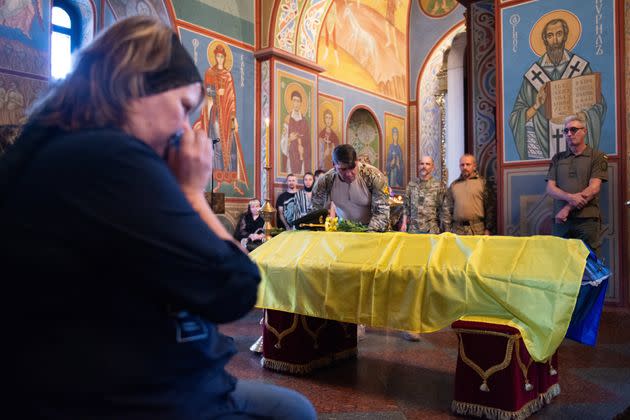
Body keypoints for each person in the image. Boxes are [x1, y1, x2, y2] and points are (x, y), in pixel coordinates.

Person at [0, 16, 315, 420]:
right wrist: (190, 190)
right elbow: (233, 286)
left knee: (289, 404)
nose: (185, 129)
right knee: (291, 411)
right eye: (184, 107)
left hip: (124, 380)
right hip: (138, 398)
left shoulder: (54, 146)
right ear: (140, 83)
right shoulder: (112, 157)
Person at [509, 17, 606, 160]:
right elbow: (515, 117)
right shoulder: (533, 75)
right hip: (543, 142)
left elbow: (599, 106)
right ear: (545, 40)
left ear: (566, 36)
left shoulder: (580, 67)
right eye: (550, 35)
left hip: (578, 148)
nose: (555, 40)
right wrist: (536, 105)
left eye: (559, 34)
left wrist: (584, 115)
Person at [546, 115, 607, 256]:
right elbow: (550, 188)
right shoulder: (557, 158)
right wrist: (570, 198)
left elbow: (594, 188)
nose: (569, 134)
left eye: (573, 130)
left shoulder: (597, 156)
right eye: (566, 131)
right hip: (561, 221)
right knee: (561, 264)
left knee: (589, 264)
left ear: (584, 131)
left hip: (586, 221)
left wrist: (567, 208)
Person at [193, 44, 248, 195]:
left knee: (231, 147)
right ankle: (217, 182)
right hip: (216, 113)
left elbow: (232, 97)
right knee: (217, 145)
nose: (219, 59)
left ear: (225, 58)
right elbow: (207, 91)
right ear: (214, 57)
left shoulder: (228, 75)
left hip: (227, 114)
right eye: (217, 56)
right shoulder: (210, 72)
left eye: (222, 56)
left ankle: (233, 181)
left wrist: (234, 117)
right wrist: (217, 92)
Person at [312, 144, 390, 233]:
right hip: (343, 230)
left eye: (352, 167)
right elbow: (315, 215)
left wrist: (366, 236)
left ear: (357, 161)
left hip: (372, 231)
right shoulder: (325, 181)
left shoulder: (374, 177)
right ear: (334, 165)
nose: (349, 174)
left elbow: (382, 214)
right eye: (343, 169)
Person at [446, 154, 496, 236]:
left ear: (474, 166)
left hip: (477, 230)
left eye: (468, 164)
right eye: (462, 165)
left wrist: (488, 229)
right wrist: (447, 231)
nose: (464, 167)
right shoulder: (454, 185)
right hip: (457, 231)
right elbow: (448, 209)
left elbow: (490, 208)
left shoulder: (482, 183)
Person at [401, 155, 451, 234]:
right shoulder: (411, 185)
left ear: (432, 167)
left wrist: (445, 231)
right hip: (413, 231)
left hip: (431, 231)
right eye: (422, 164)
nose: (424, 166)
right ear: (418, 166)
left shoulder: (438, 186)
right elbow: (406, 207)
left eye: (427, 164)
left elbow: (444, 210)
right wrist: (404, 224)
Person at [280, 90, 311, 174]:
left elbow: (308, 142)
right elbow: (283, 141)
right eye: (294, 100)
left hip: (301, 156)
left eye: (298, 101)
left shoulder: (304, 121)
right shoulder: (287, 119)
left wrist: (303, 149)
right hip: (291, 155)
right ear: (291, 102)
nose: (296, 103)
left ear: (301, 103)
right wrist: (289, 139)